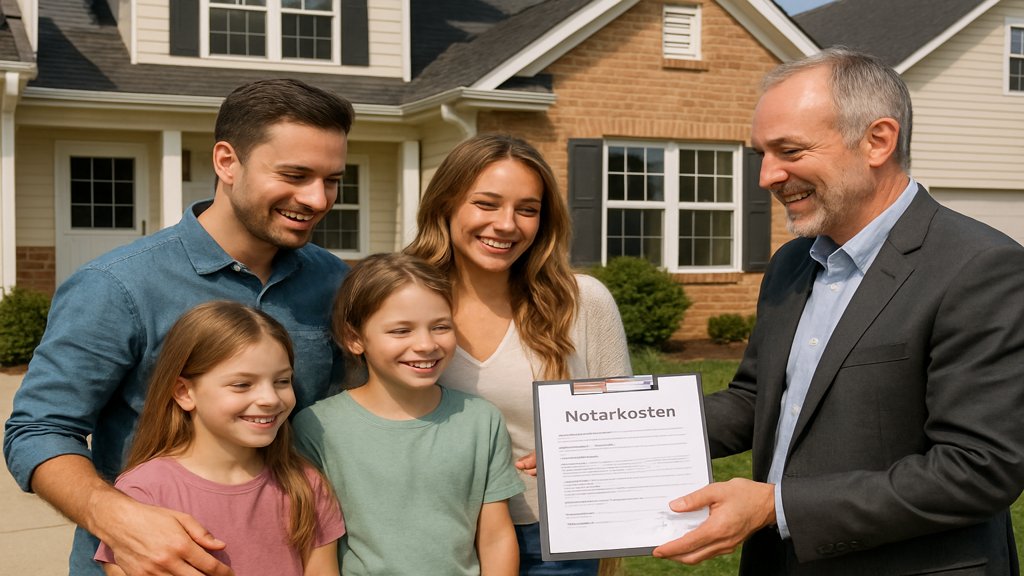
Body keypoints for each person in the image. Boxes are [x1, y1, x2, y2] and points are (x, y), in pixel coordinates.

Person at [652, 47, 1024, 574]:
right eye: (762, 153)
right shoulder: (791, 263)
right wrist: (614, 430)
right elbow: (757, 399)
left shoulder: (982, 268)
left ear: (877, 141)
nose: (767, 176)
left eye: (790, 150)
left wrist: (775, 507)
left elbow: (979, 469)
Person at [4, 78, 354, 575]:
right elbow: (38, 430)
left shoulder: (336, 283)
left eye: (332, 179)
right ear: (227, 162)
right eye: (295, 175)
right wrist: (118, 517)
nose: (317, 199)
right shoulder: (117, 285)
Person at [403, 133, 632, 575]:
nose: (507, 224)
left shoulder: (582, 302)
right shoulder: (398, 299)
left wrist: (575, 454)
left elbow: (625, 430)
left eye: (526, 209)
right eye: (486, 204)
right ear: (445, 204)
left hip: (550, 539)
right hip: (426, 536)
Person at [293, 252, 524, 575]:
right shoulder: (316, 428)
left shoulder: (481, 421)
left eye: (440, 326)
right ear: (354, 338)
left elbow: (496, 536)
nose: (426, 344)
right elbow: (317, 548)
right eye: (401, 331)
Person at [94, 301, 344, 575]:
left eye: (282, 381)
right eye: (242, 385)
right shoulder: (143, 493)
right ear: (184, 392)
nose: (270, 399)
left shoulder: (305, 485)